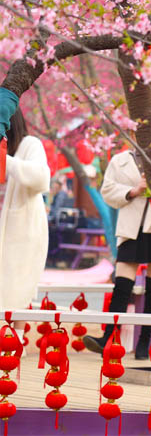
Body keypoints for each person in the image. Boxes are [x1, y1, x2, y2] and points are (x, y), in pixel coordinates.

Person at [83, 145, 151, 360]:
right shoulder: (120, 160)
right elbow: (107, 191)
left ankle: (145, 342)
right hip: (130, 226)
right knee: (122, 286)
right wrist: (134, 191)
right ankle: (108, 338)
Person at [0, 101, 50, 340]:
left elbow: (41, 179)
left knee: (17, 284)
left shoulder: (30, 145)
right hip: (6, 230)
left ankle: (14, 344)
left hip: (23, 231)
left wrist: (5, 160)